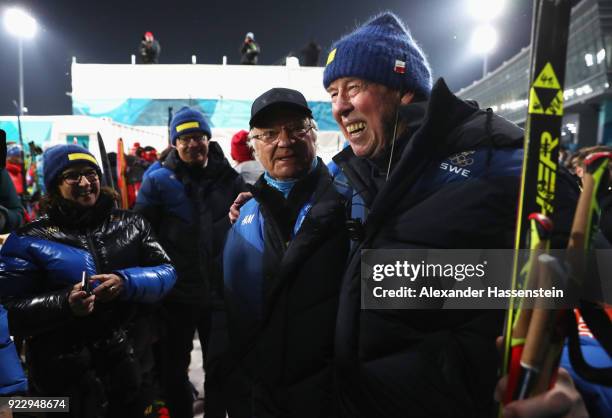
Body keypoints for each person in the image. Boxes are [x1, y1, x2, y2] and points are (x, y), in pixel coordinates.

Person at [322, 12, 579, 418]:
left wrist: (584, 396)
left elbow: (586, 283)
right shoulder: (360, 174)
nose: (340, 106)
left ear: (403, 90)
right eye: (333, 93)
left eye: (353, 87)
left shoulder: (503, 164)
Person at [0, 144, 176, 417]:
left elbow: (166, 271)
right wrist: (63, 303)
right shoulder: (28, 239)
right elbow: (8, 310)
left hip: (128, 366)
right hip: (60, 378)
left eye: (90, 173)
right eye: (72, 176)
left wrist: (126, 281)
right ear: (55, 184)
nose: (85, 182)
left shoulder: (131, 224)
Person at [224, 88, 349, 418]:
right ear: (253, 146)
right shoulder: (243, 223)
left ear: (313, 135)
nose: (284, 141)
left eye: (296, 128)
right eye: (268, 134)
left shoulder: (352, 203)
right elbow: (236, 324)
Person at [134, 107, 248, 418]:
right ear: (174, 143)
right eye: (183, 138)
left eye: (197, 136)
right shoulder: (156, 181)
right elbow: (142, 236)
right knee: (173, 369)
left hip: (219, 295)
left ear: (208, 139)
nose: (191, 144)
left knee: (220, 367)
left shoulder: (229, 178)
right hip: (176, 296)